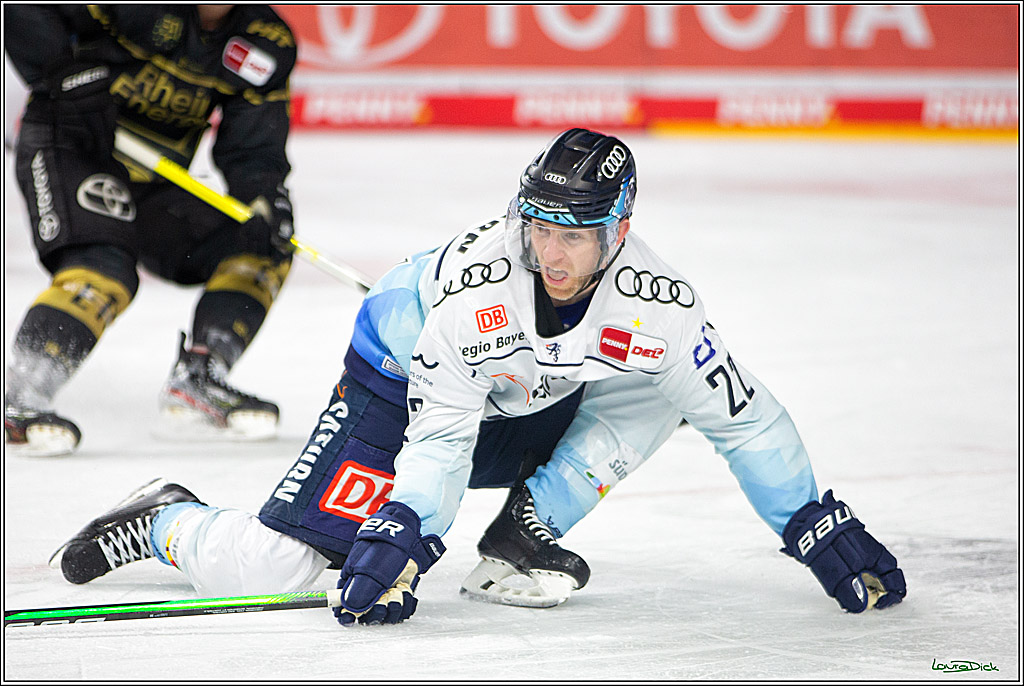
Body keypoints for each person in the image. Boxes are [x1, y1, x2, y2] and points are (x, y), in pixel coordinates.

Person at [50, 128, 906, 625]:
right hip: (399, 390)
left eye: (575, 235)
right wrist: (408, 534)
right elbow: (444, 432)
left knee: (657, 385)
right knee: (283, 573)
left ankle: (520, 535)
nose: (552, 253)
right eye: (539, 229)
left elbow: (741, 418)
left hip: (528, 395)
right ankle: (169, 518)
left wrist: (810, 519)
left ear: (621, 228)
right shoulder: (479, 296)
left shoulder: (661, 303)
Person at [3, 5, 298, 456]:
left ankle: (199, 379)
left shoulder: (266, 41)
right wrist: (61, 71)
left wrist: (263, 196)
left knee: (259, 246)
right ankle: (19, 395)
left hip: (156, 181)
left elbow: (254, 146)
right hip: (72, 149)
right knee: (104, 268)